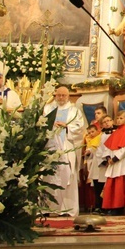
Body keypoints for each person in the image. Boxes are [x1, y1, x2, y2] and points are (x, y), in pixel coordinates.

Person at [43, 86, 86, 216]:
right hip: (50, 147)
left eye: (64, 95)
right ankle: (46, 208)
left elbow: (79, 128)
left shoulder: (74, 111)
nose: (61, 98)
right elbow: (41, 124)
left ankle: (66, 209)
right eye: (59, 95)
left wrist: (67, 127)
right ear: (55, 95)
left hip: (66, 146)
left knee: (67, 174)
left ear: (68, 96)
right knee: (48, 175)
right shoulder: (47, 109)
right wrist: (51, 125)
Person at [102, 110, 125, 216]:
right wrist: (108, 157)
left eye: (121, 118)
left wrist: (115, 158)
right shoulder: (116, 131)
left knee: (118, 186)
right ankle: (109, 206)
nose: (118, 120)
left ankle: (118, 208)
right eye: (117, 118)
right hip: (113, 162)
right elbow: (108, 147)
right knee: (110, 185)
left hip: (121, 162)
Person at [90, 114, 114, 214]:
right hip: (102, 163)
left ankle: (109, 207)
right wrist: (104, 160)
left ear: (112, 121)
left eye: (108, 120)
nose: (107, 123)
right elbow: (99, 149)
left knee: (109, 186)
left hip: (113, 162)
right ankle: (100, 206)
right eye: (104, 122)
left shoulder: (116, 133)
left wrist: (111, 158)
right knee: (99, 186)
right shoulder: (102, 136)